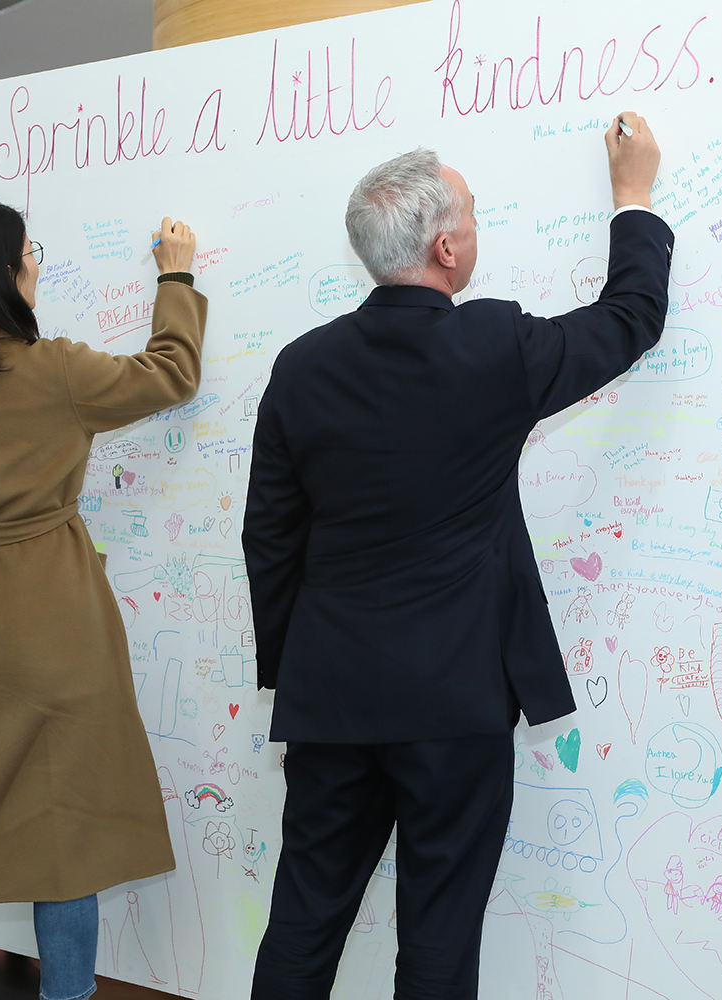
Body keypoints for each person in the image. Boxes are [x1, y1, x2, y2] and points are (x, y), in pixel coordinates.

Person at [243, 113, 671, 999]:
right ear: (446, 247)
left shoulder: (300, 367)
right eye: (472, 214)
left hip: (331, 700)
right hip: (455, 700)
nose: (477, 227)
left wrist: (302, 673)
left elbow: (269, 537)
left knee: (303, 920)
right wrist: (633, 196)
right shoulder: (493, 348)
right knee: (438, 937)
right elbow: (628, 318)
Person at [0, 199, 205, 1000]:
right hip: (61, 620)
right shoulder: (58, 369)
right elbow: (172, 371)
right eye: (31, 251)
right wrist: (175, 274)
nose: (37, 265)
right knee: (67, 826)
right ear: (5, 274)